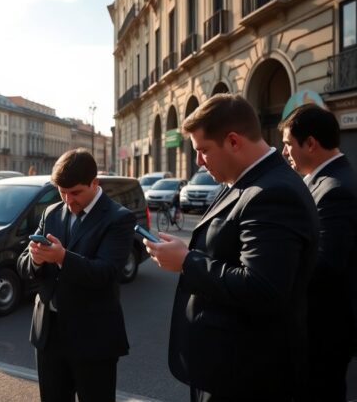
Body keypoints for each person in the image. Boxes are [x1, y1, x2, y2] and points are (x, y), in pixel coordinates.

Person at [144, 94, 319, 401]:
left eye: (203, 150)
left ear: (234, 141)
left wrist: (186, 261)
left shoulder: (273, 192)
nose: (198, 162)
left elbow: (263, 288)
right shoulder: (245, 181)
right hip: (227, 365)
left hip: (247, 375)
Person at [17, 148, 135, 401]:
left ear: (94, 183)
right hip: (49, 335)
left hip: (93, 338)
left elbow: (106, 273)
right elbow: (24, 265)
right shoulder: (51, 213)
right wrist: (36, 259)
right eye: (62, 192)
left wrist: (62, 257)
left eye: (76, 193)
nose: (68, 200)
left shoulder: (118, 218)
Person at [279, 104, 357, 401]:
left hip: (325, 328)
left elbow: (323, 266)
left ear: (310, 143)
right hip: (324, 325)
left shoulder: (335, 189)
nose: (284, 152)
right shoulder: (330, 180)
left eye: (288, 144)